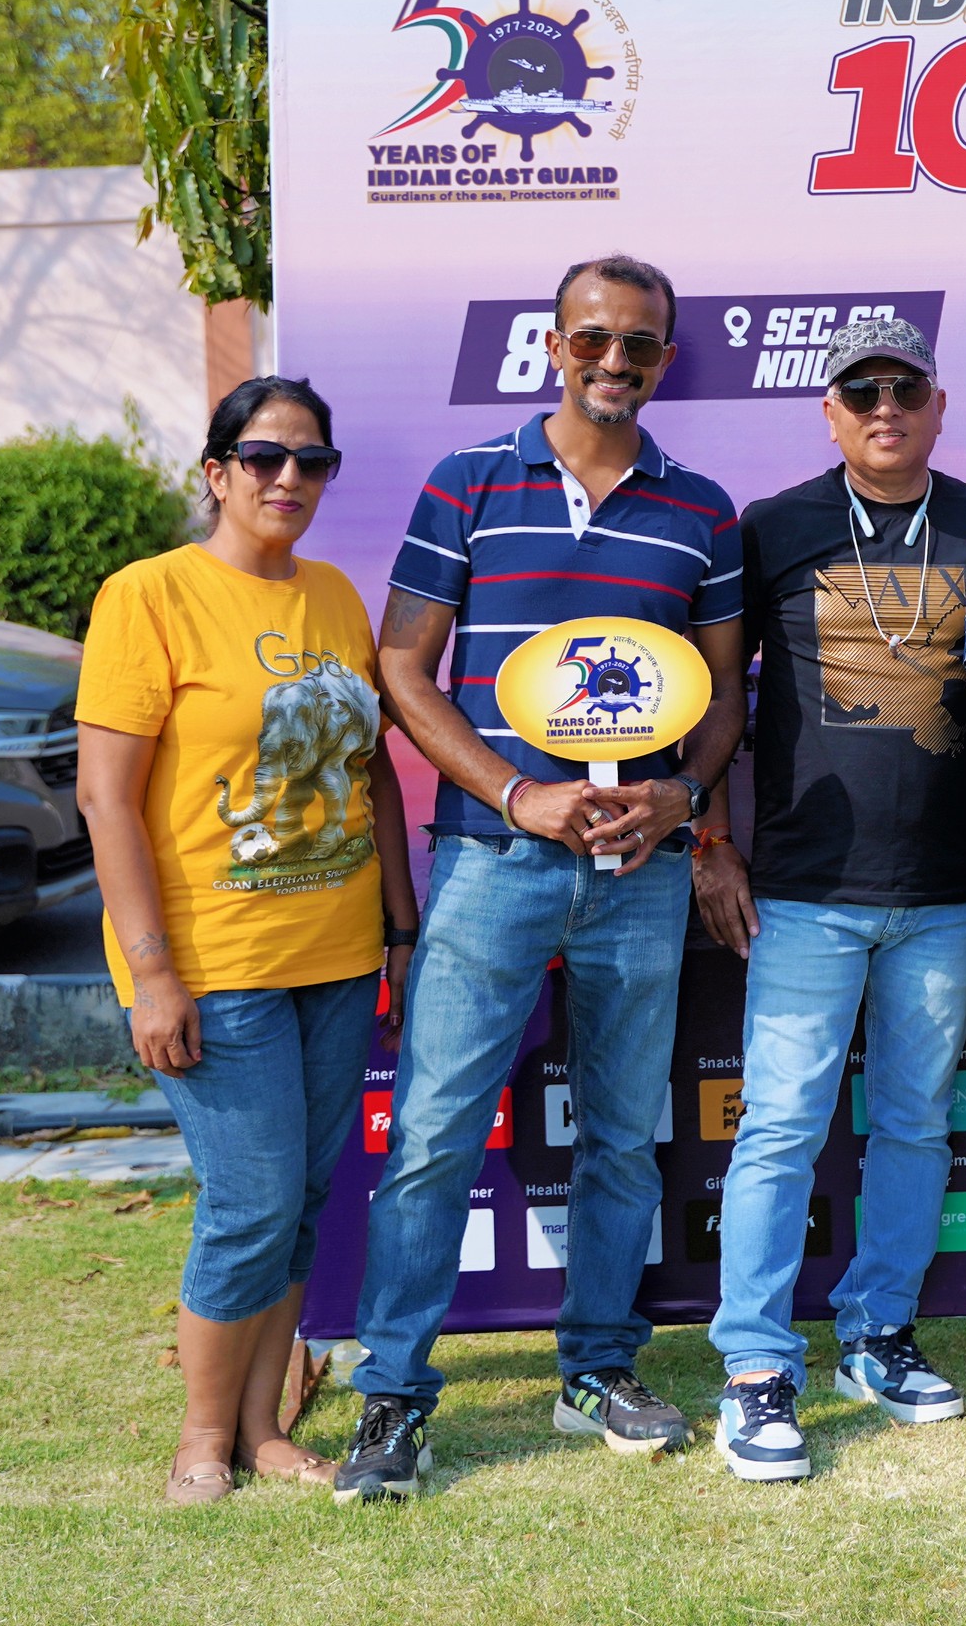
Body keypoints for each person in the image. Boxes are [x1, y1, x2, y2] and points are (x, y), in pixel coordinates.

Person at [336, 255, 747, 1501]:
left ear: (665, 358)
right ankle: (394, 1395)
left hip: (640, 867)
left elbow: (724, 697)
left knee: (623, 1135)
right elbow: (403, 669)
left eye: (641, 344)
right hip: (492, 856)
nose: (616, 361)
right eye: (594, 339)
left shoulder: (703, 509)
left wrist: (681, 799)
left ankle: (597, 1369)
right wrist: (519, 793)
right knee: (433, 1134)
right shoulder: (468, 481)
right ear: (555, 346)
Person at [75, 375, 416, 1505]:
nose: (289, 479)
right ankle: (201, 1436)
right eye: (264, 457)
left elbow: (371, 774)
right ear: (217, 472)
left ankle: (266, 1428)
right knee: (250, 1201)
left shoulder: (335, 596)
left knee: (304, 1202)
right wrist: (151, 972)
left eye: (312, 461)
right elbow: (105, 798)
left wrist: (398, 928)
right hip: (213, 963)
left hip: (337, 952)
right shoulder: (150, 594)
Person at [689, 316, 966, 1483]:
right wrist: (711, 840)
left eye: (905, 388)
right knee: (780, 1125)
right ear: (829, 412)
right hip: (806, 890)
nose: (885, 408)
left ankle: (877, 1335)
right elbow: (717, 700)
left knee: (916, 1122)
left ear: (938, 403)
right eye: (860, 391)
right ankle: (755, 1366)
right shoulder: (771, 526)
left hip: (946, 891)